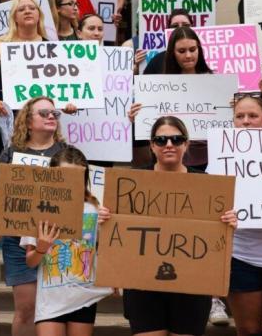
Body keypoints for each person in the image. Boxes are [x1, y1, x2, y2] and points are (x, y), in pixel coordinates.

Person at [98, 116, 237, 336]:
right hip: (142, 284)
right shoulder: (132, 182)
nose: (169, 145)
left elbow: (216, 239)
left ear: (186, 144)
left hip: (192, 285)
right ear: (152, 145)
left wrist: (228, 223)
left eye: (176, 139)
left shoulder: (208, 185)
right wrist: (107, 217)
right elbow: (118, 231)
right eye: (161, 140)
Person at [0, 96, 69, 336]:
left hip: (58, 240)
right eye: (44, 113)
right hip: (16, 241)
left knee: (56, 309)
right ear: (28, 122)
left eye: (55, 113)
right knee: (26, 308)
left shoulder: (67, 154)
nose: (51, 116)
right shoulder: (12, 153)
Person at [21, 147, 111, 336]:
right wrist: (41, 249)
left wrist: (108, 226)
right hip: (50, 300)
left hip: (84, 297)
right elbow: (30, 262)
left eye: (76, 175)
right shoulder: (39, 209)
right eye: (63, 175)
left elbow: (109, 253)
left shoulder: (96, 209)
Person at [130, 26, 213, 170]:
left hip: (206, 159)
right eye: (181, 51)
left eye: (192, 49)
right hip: (166, 158)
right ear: (172, 53)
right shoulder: (159, 85)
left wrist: (232, 108)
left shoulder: (215, 82)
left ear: (199, 49)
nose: (188, 55)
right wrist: (136, 117)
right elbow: (149, 120)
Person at [224, 94, 262, 336]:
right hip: (241, 258)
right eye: (240, 116)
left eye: (253, 116)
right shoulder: (221, 157)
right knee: (249, 330)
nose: (246, 121)